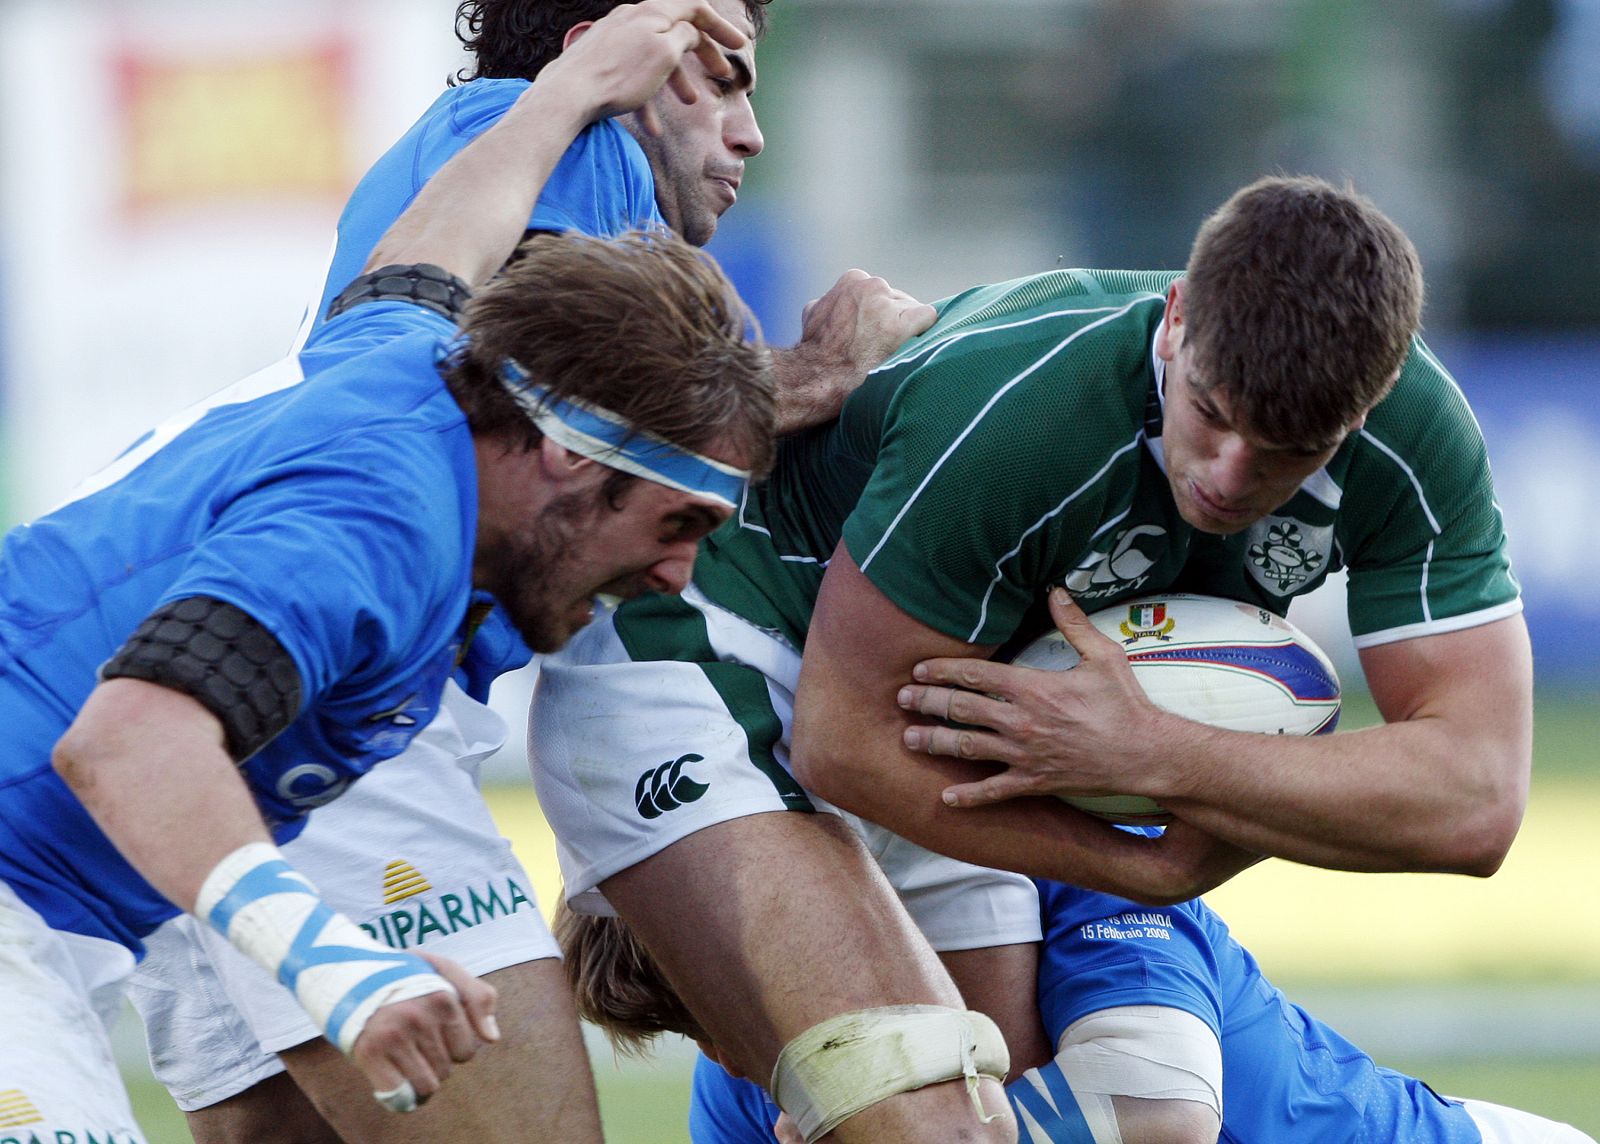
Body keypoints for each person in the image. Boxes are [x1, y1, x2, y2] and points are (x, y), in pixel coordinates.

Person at [526, 175, 1528, 1142]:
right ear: (1174, 321)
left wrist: (1159, 759)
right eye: (1212, 415)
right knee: (956, 1109)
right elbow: (837, 739)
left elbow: (1475, 800)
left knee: (1007, 1104)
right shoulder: (1024, 411)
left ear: (1366, 407)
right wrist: (1141, 859)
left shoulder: (1413, 442)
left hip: (942, 703)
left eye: (1285, 451)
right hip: (733, 648)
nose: (1229, 476)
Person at [124, 2, 938, 1141]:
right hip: (314, 705)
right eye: (719, 78)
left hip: (187, 707)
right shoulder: (551, 132)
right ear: (609, 53)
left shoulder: (512, 194)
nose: (750, 132)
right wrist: (823, 370)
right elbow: (581, 394)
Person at [0, 6, 767, 1141]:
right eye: (675, 522)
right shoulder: (385, 519)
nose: (674, 573)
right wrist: (333, 967)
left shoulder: (420, 360)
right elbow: (128, 739)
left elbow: (427, 256)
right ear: (564, 451)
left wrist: (571, 94)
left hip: (83, 909)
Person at [554, 885, 1597, 1144]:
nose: (742, 1054)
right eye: (715, 1033)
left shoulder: (1064, 861)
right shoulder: (743, 1076)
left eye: (739, 1012)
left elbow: (1157, 1112)